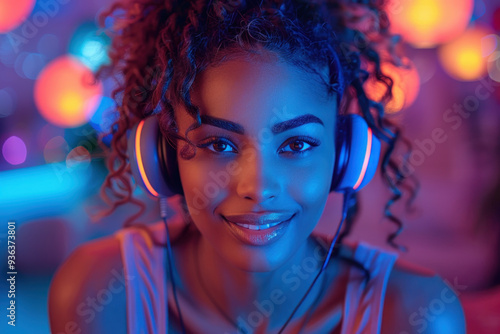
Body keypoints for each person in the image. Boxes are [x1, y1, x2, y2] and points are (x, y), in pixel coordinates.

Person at [48, 0, 466, 333]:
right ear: (163, 154)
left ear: (344, 155)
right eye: (218, 143)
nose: (258, 186)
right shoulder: (97, 294)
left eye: (297, 144)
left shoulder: (418, 317)